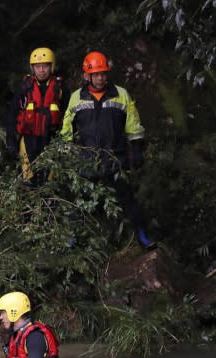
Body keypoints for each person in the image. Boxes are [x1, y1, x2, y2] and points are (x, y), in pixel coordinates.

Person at [60, 51, 156, 249]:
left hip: (115, 160)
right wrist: (65, 153)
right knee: (78, 202)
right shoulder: (76, 98)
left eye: (103, 73)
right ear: (87, 75)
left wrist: (137, 149)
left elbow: (133, 125)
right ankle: (72, 241)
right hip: (85, 161)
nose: (100, 78)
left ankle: (143, 236)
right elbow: (67, 128)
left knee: (128, 201)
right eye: (96, 74)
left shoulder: (121, 94)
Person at [6, 47, 65, 185]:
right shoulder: (24, 88)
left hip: (51, 141)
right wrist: (10, 139)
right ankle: (28, 206)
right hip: (28, 140)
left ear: (52, 67)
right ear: (33, 68)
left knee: (49, 182)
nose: (41, 70)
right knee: (27, 181)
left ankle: (48, 205)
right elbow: (12, 114)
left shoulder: (60, 89)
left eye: (45, 66)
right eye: (38, 66)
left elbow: (68, 115)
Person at [0, 291, 62, 358]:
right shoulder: (15, 334)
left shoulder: (34, 336)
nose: (0, 317)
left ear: (14, 311)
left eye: (3, 313)